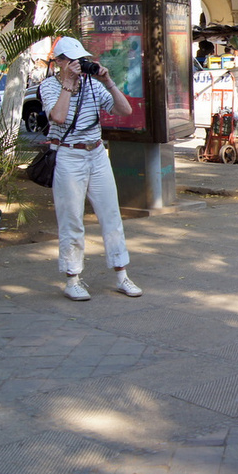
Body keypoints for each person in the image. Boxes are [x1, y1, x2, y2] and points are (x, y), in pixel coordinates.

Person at [40, 37, 142, 301]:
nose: (79, 65)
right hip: (68, 156)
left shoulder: (92, 86)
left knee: (111, 216)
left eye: (81, 61)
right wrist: (67, 84)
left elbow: (125, 109)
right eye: (73, 61)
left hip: (96, 154)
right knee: (72, 219)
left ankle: (122, 275)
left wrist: (107, 81)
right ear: (60, 62)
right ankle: (72, 278)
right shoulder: (49, 86)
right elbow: (59, 117)